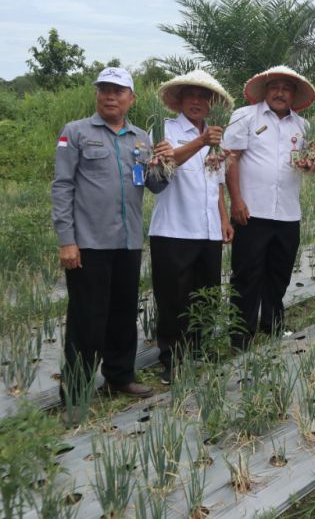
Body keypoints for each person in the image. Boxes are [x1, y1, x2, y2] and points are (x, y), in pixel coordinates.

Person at [52, 67, 172, 399]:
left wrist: (164, 162)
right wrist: (67, 240)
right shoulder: (76, 133)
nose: (110, 96)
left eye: (118, 91)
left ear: (131, 98)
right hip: (89, 244)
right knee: (86, 319)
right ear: (97, 94)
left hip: (128, 241)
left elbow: (156, 186)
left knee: (122, 314)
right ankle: (75, 392)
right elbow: (62, 187)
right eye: (104, 89)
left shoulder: (141, 138)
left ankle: (119, 378)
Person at [222, 66, 315, 348]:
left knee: (280, 271)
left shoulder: (302, 126)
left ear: (293, 94)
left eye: (286, 88)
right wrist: (237, 200)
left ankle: (272, 324)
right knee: (246, 273)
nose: (280, 93)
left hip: (288, 212)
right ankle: (241, 333)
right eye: (274, 87)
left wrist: (312, 163)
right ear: (265, 91)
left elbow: (306, 163)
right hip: (252, 210)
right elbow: (232, 159)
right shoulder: (244, 117)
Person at [149, 70, 234, 383]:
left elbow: (218, 182)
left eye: (203, 97)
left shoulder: (216, 135)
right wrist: (200, 141)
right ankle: (171, 359)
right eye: (191, 95)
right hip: (174, 230)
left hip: (209, 230)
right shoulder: (165, 130)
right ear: (180, 100)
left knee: (206, 294)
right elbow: (163, 170)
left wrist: (224, 220)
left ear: (211, 104)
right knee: (173, 298)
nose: (197, 101)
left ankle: (199, 349)